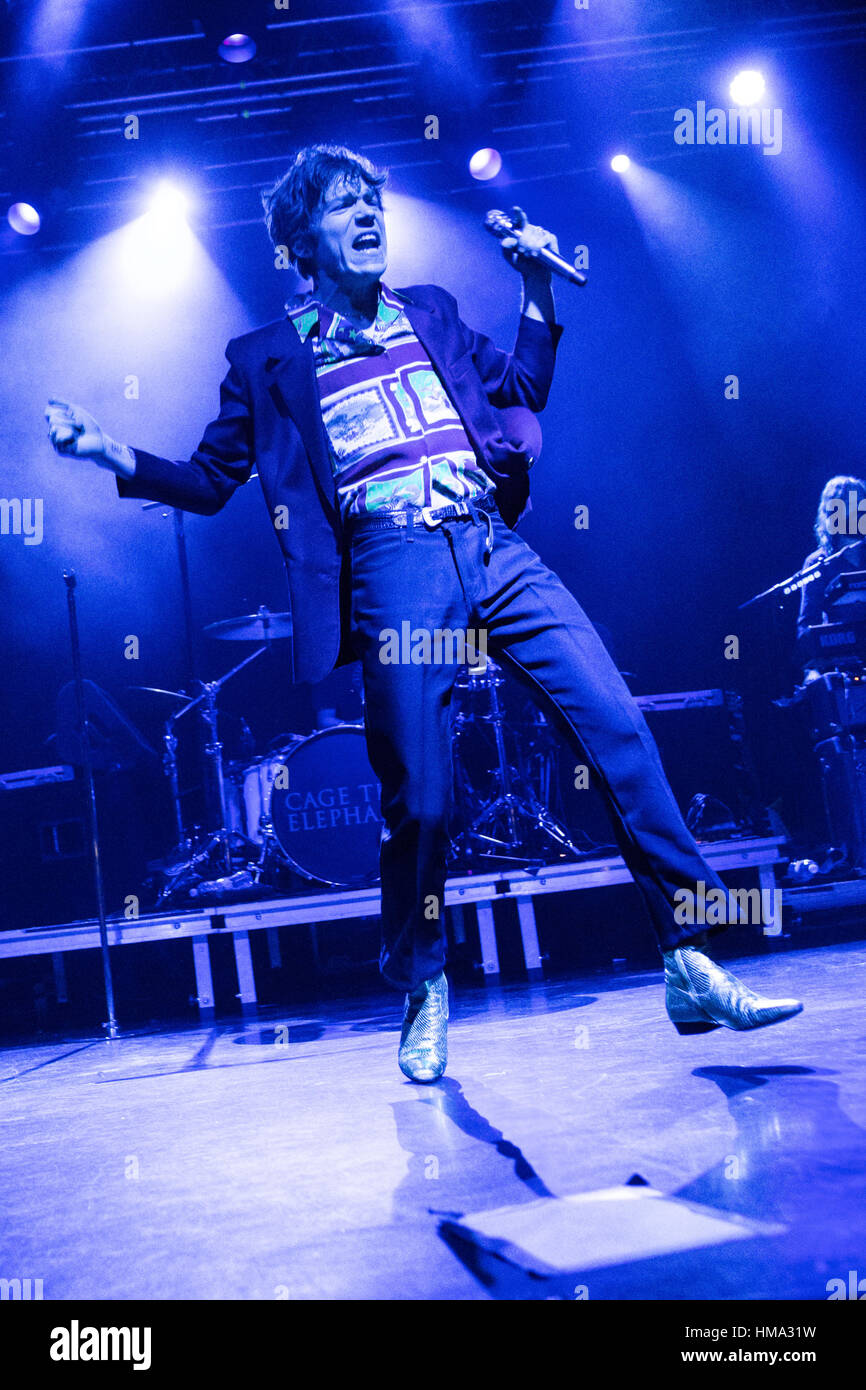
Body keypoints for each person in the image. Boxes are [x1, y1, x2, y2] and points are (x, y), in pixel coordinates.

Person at [46, 144, 802, 1082]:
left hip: (493, 543)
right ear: (300, 242)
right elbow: (207, 482)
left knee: (618, 729)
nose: (369, 216)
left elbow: (520, 392)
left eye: (375, 201)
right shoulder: (266, 359)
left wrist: (537, 291)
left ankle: (692, 958)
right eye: (342, 207)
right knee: (426, 798)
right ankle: (423, 980)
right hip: (394, 563)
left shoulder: (432, 311)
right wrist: (108, 451)